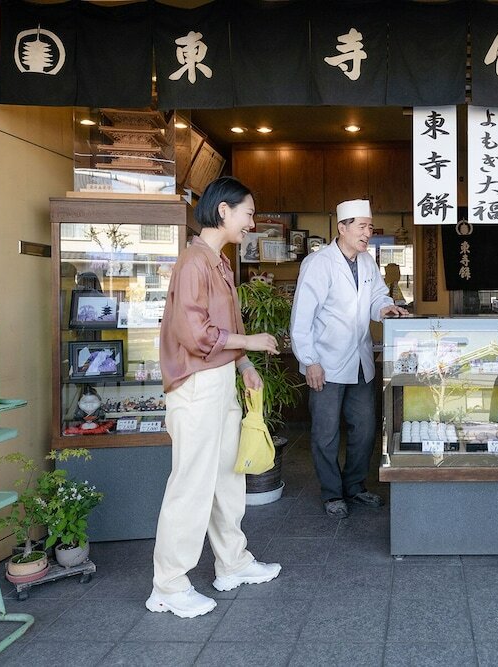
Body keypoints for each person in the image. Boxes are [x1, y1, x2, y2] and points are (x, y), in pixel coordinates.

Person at [147, 176, 283, 619]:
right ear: (223, 211)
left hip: (219, 380)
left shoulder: (216, 261)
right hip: (197, 387)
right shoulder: (194, 262)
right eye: (248, 213)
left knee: (227, 477)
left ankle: (232, 563)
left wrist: (243, 364)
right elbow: (192, 333)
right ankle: (168, 584)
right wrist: (253, 342)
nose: (251, 223)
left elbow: (219, 330)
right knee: (191, 485)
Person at [290, 199, 409, 518]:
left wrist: (385, 308)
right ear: (341, 228)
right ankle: (332, 493)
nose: (368, 232)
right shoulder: (319, 263)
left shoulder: (368, 263)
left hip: (360, 360)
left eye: (370, 226)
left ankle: (355, 486)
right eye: (362, 226)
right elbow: (301, 316)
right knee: (326, 432)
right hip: (325, 363)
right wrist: (309, 359)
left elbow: (376, 298)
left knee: (365, 428)